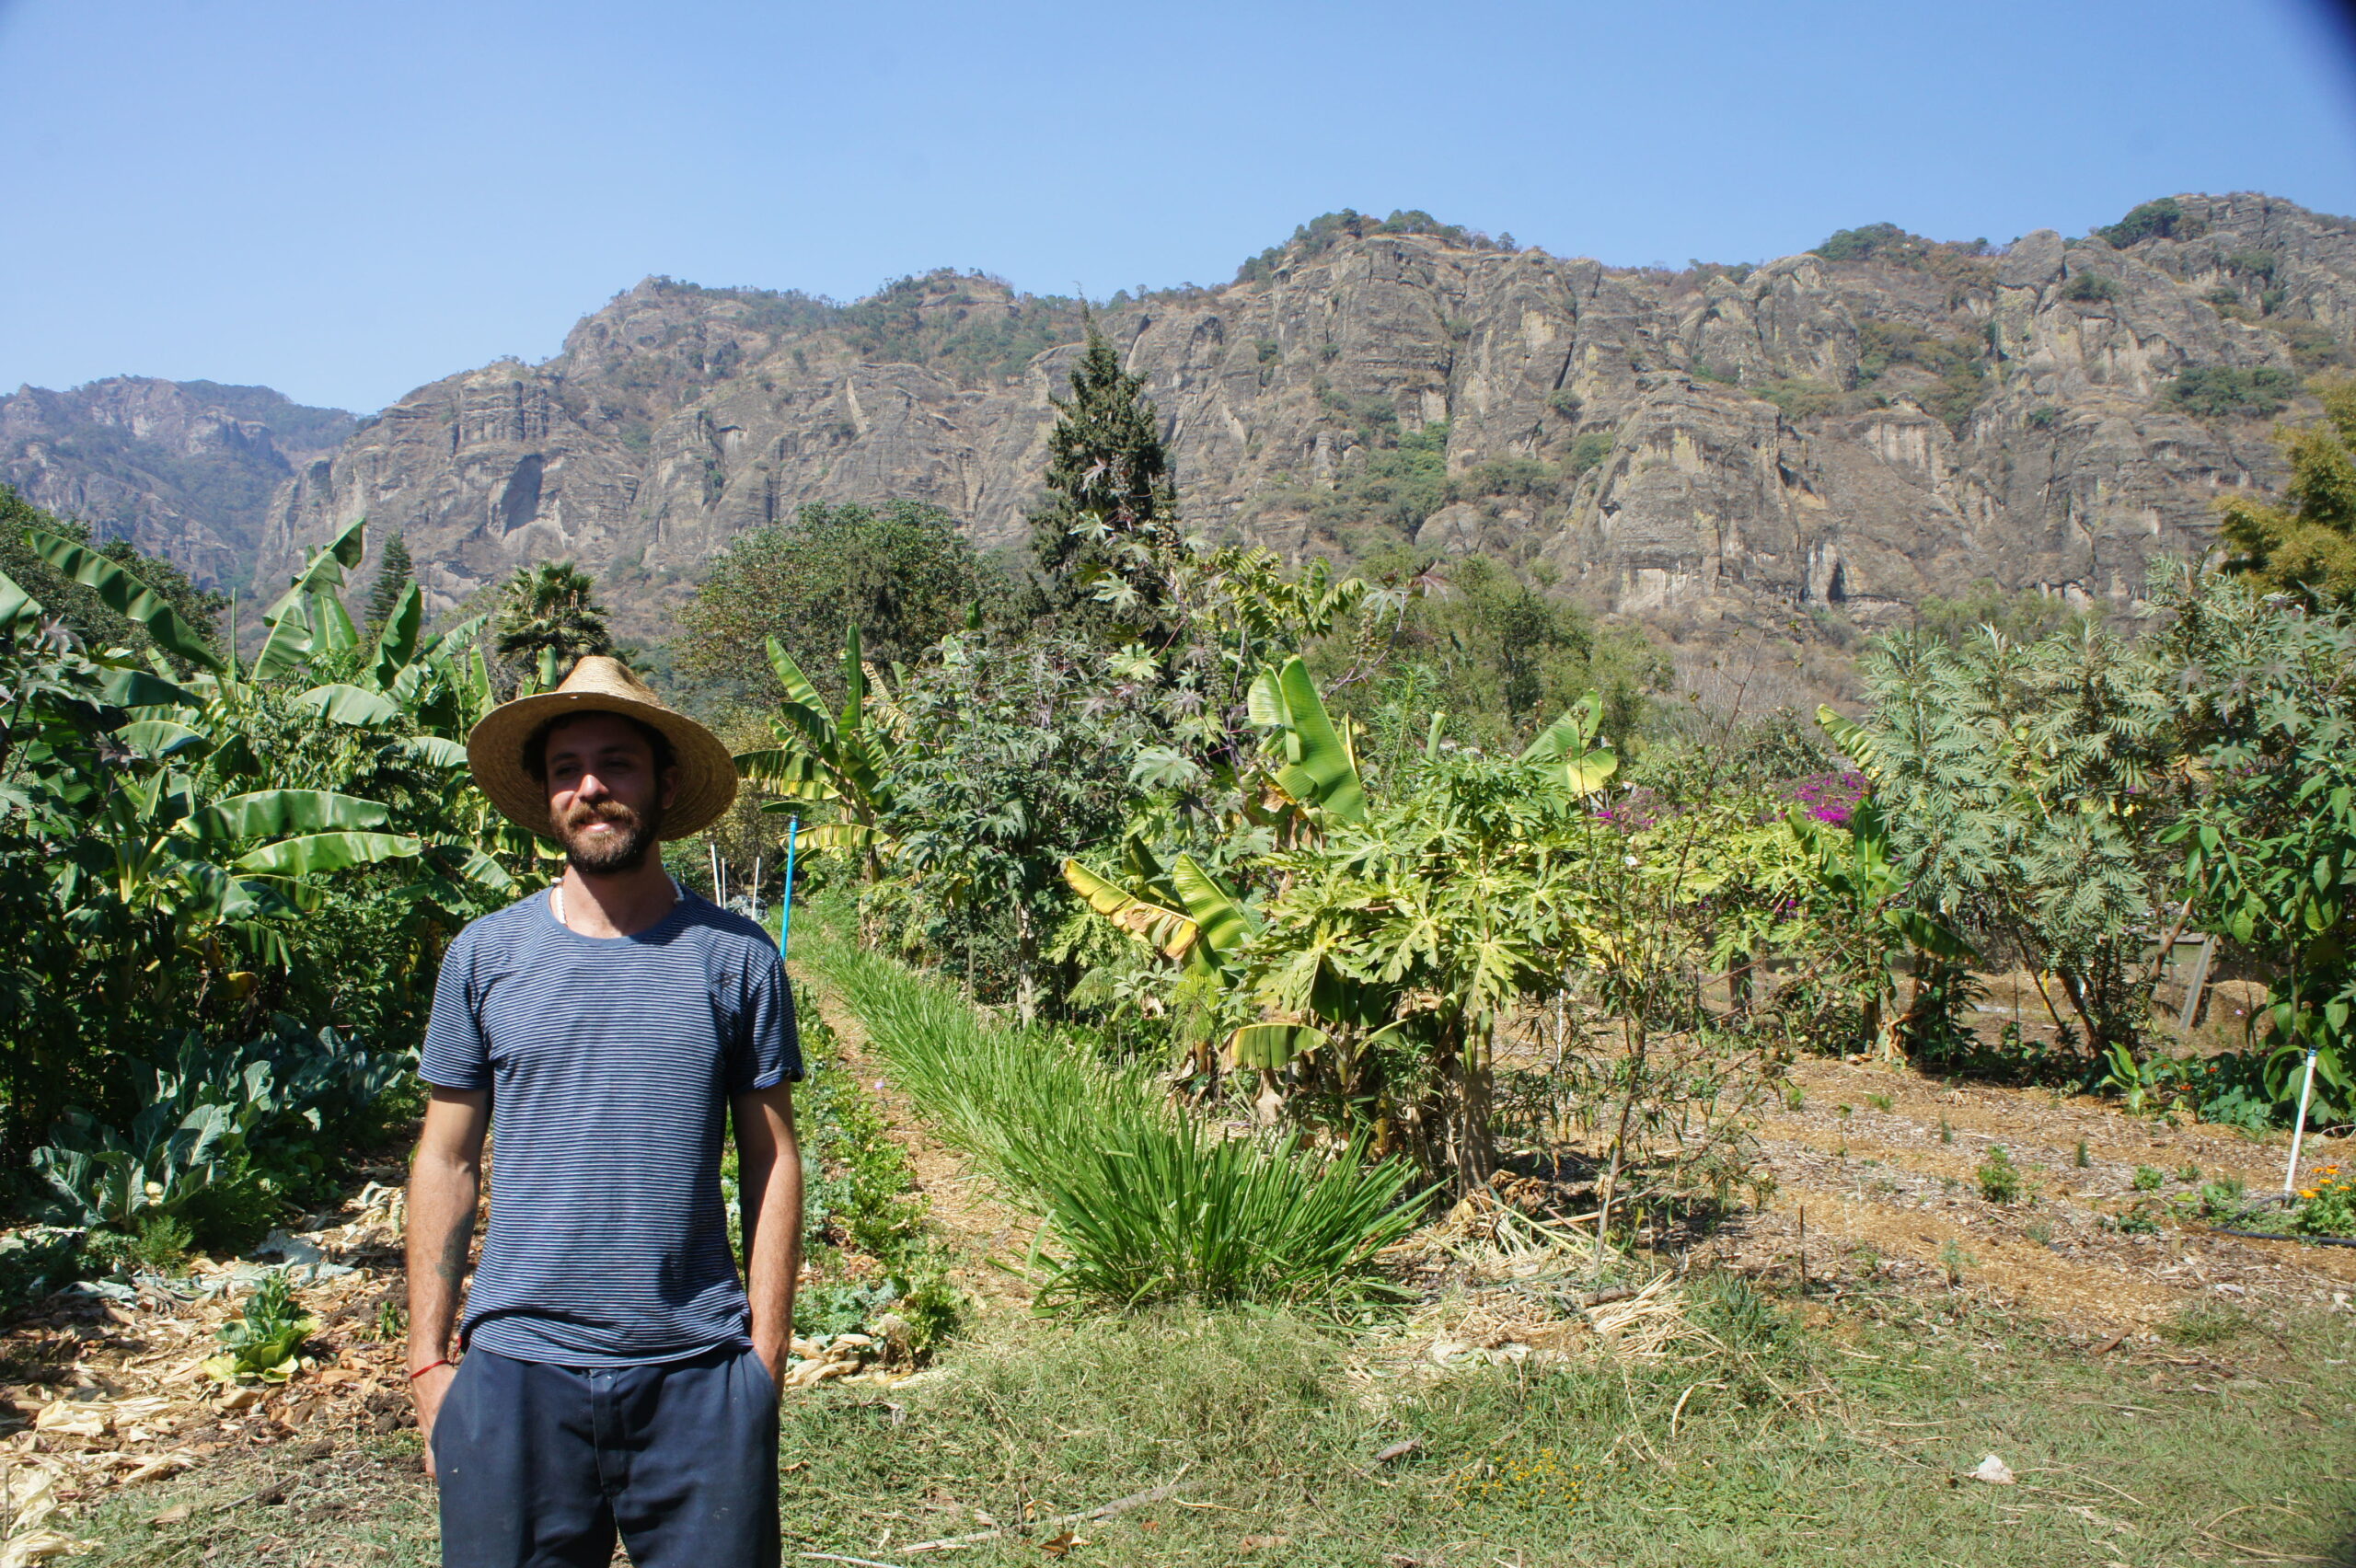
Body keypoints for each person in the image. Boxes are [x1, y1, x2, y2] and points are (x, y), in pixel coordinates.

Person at [405, 655, 803, 1568]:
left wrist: (763, 1365)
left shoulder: (735, 960)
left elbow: (773, 1159)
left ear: (663, 784)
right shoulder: (486, 955)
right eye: (566, 769)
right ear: (547, 798)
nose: (591, 788)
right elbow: (444, 1160)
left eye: (616, 763)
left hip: (696, 1371)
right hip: (515, 1376)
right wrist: (429, 1363)